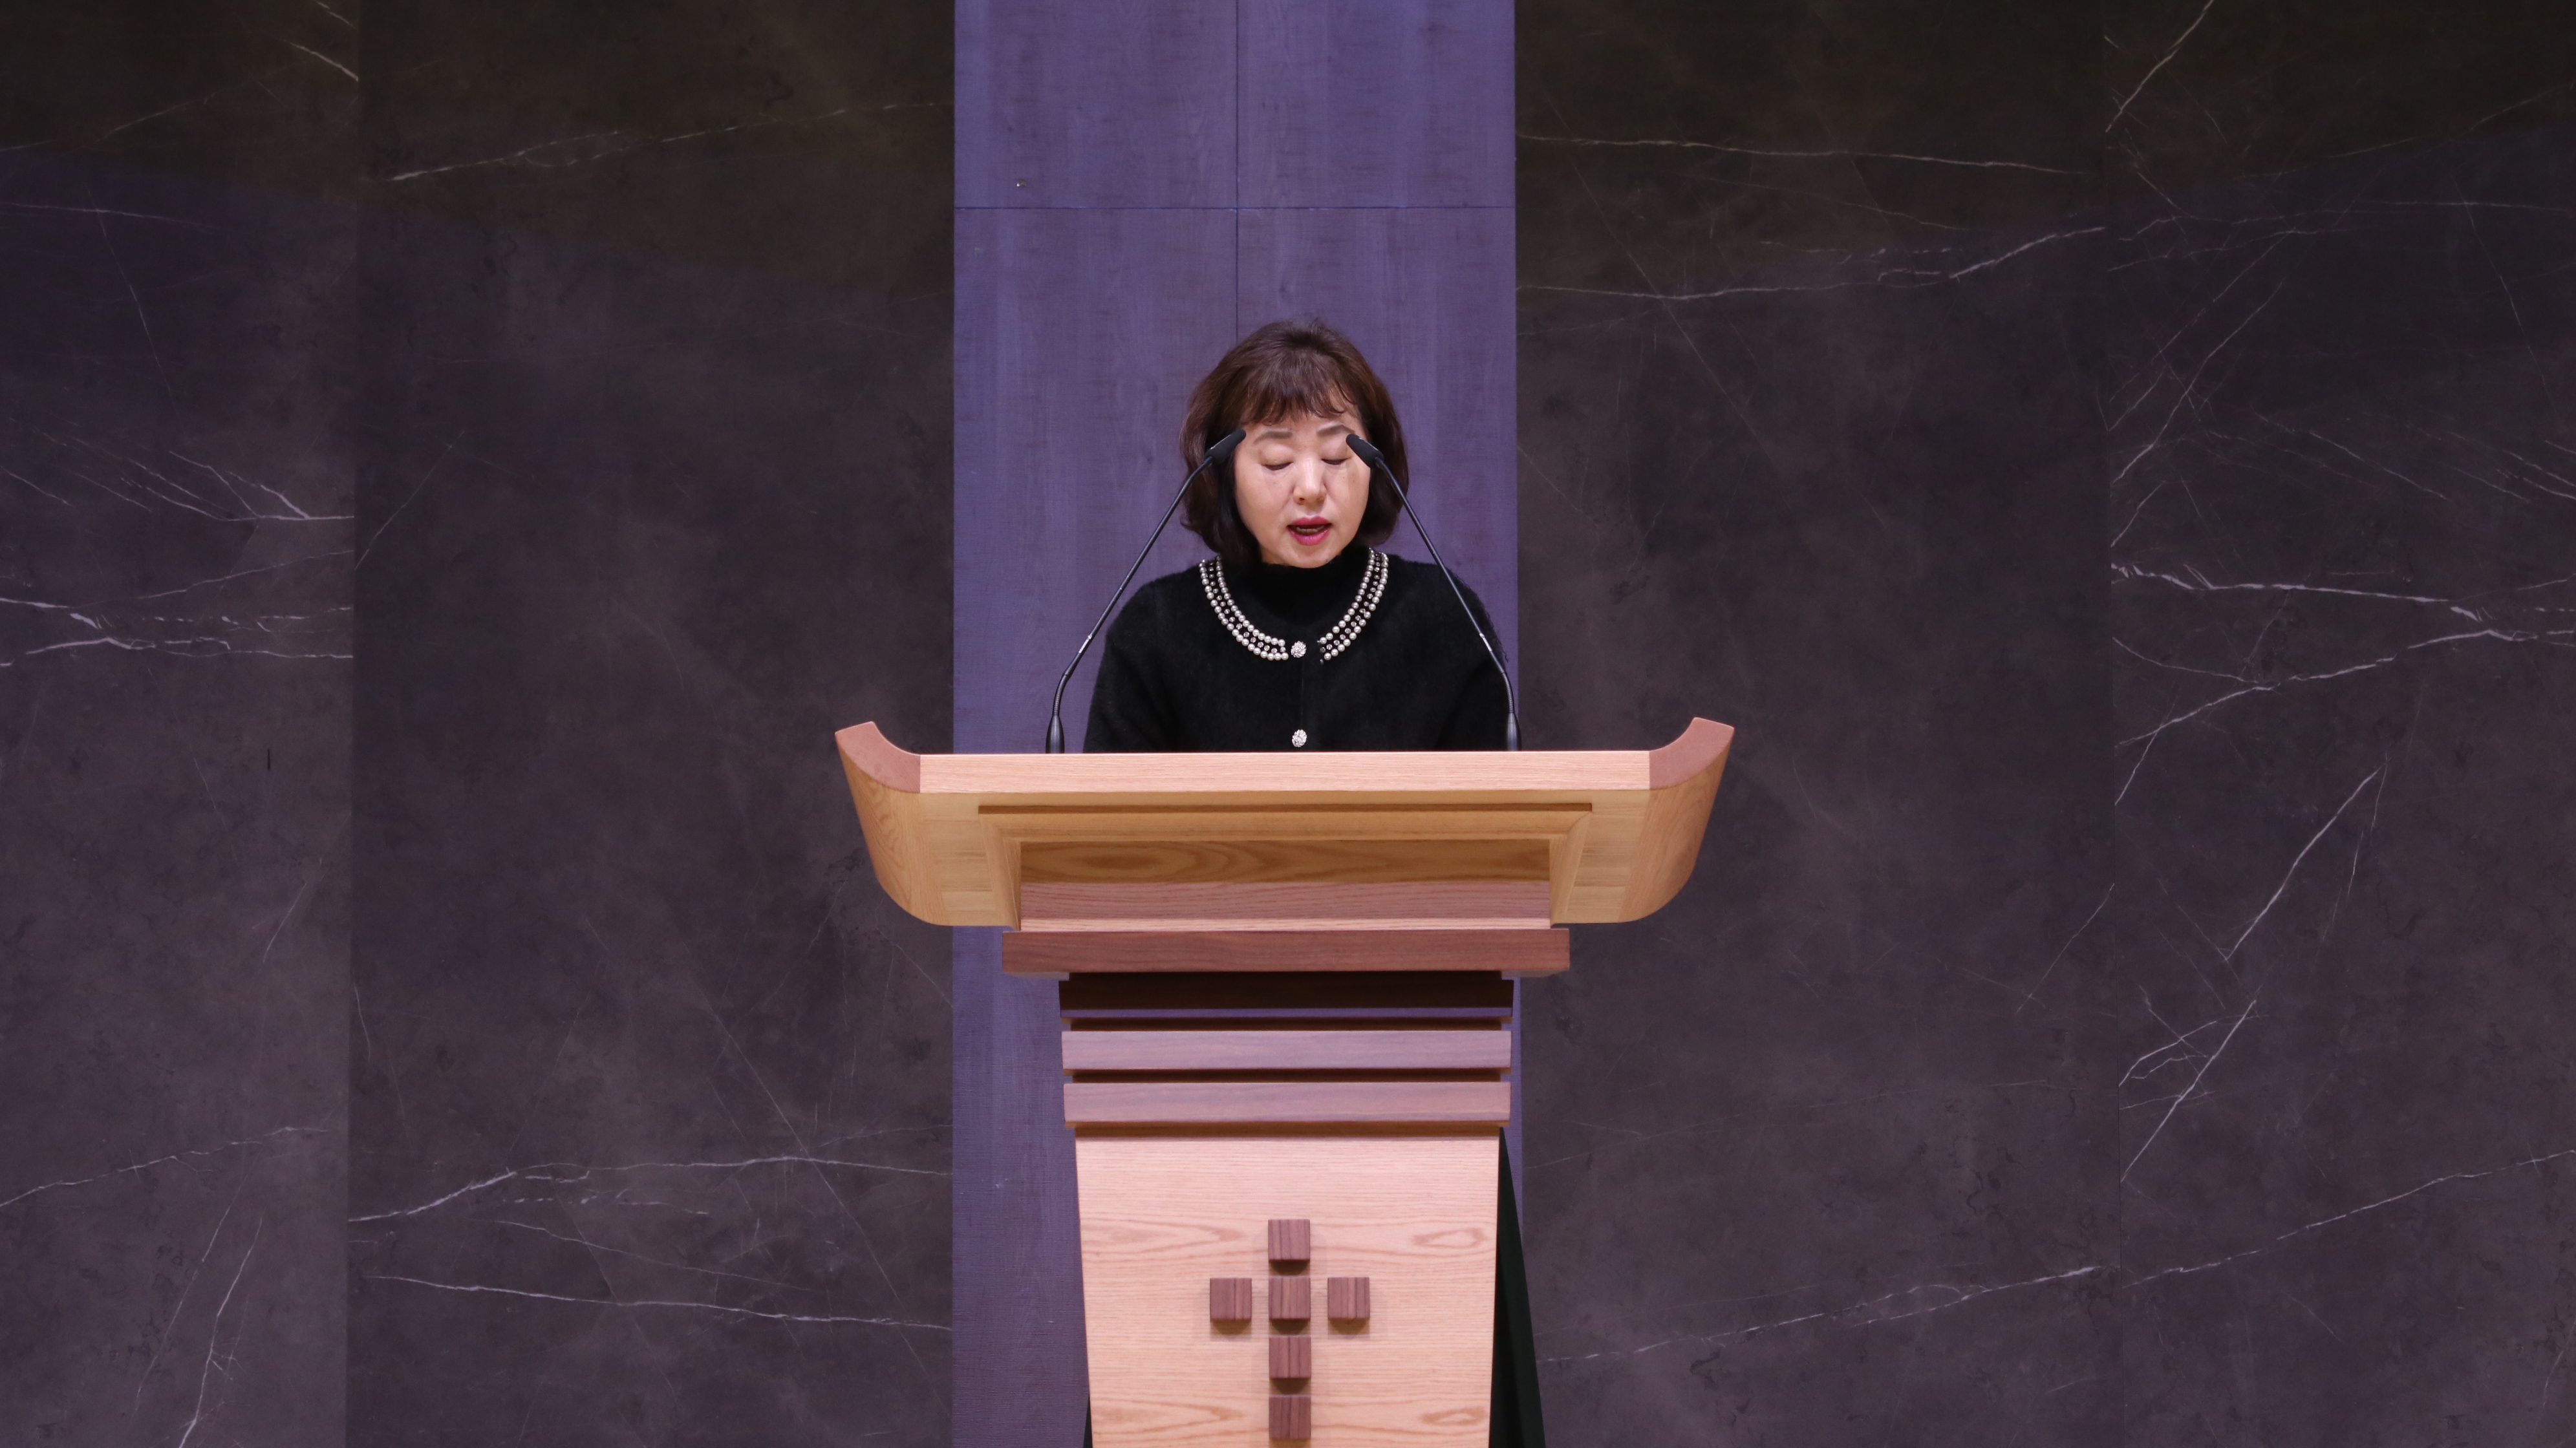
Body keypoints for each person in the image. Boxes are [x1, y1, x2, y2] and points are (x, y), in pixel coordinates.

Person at [1082, 320, 1510, 753]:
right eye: (1277, 461)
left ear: (1374, 462)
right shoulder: (1156, 628)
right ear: (1225, 472)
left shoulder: (1445, 616)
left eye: (1336, 457)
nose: (1311, 488)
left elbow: (1499, 795)